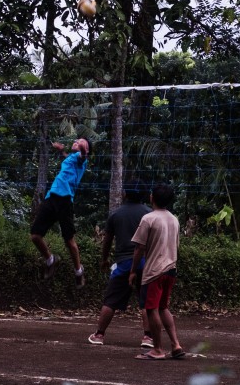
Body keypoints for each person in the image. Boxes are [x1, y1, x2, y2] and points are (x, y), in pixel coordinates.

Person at [87, 179, 153, 347]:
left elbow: (107, 241)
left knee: (110, 301)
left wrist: (104, 259)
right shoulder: (149, 213)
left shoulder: (116, 214)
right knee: (145, 301)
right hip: (145, 263)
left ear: (124, 193)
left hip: (123, 262)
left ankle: (99, 335)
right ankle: (148, 337)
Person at [128, 183, 186, 360]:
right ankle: (176, 344)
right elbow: (176, 245)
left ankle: (158, 349)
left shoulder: (149, 219)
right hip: (171, 268)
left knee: (151, 308)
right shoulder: (174, 219)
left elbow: (139, 248)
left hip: (154, 271)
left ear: (152, 197)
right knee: (163, 307)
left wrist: (132, 271)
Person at [30, 138, 91, 288]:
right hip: (51, 198)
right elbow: (68, 158)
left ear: (86, 150)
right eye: (77, 140)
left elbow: (82, 155)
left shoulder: (82, 160)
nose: (77, 141)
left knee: (69, 241)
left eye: (81, 142)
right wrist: (61, 151)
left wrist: (83, 148)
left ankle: (78, 271)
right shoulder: (71, 157)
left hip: (65, 201)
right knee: (35, 235)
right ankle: (51, 260)